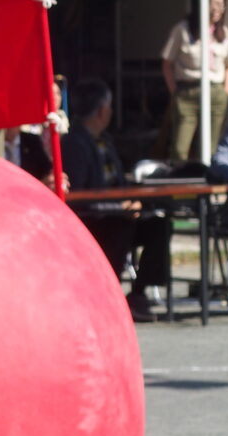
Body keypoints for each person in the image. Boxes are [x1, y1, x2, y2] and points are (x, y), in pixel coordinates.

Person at [61, 78, 172, 324]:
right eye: (109, 106)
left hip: (116, 213)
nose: (111, 112)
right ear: (102, 110)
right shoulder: (74, 143)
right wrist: (119, 207)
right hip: (93, 220)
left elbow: (117, 186)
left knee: (158, 226)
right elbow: (79, 197)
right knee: (121, 226)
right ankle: (107, 296)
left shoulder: (106, 141)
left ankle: (139, 293)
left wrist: (130, 202)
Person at [162, 0, 228, 162]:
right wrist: (175, 91)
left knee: (212, 147)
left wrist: (226, 89)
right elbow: (167, 63)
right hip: (188, 91)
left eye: (221, 5)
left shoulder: (223, 32)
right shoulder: (182, 29)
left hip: (216, 92)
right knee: (180, 147)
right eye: (213, 4)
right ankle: (180, 183)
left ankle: (211, 183)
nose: (217, 9)